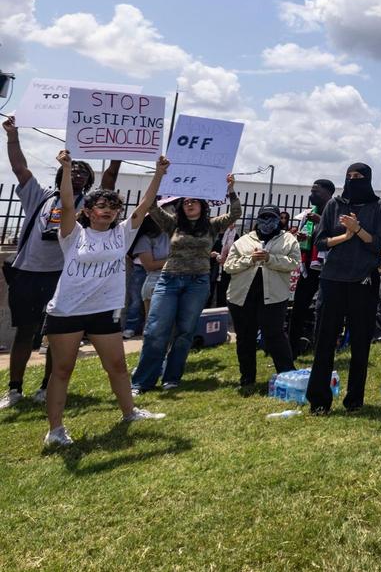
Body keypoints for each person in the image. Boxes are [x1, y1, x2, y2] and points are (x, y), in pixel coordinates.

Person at [41, 150, 167, 447]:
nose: (108, 211)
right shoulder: (73, 234)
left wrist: (159, 173)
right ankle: (55, 430)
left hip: (104, 311)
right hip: (67, 310)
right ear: (88, 211)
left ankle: (129, 412)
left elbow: (145, 205)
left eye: (113, 206)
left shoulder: (122, 234)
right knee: (62, 369)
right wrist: (68, 168)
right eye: (101, 205)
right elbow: (68, 203)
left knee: (118, 366)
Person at [1, 116, 120, 410]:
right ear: (61, 173)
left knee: (56, 336)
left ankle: (46, 386)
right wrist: (13, 136)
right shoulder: (39, 197)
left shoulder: (88, 207)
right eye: (73, 170)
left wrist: (120, 146)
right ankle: (14, 389)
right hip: (28, 273)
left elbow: (110, 180)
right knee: (25, 332)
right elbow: (19, 168)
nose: (77, 175)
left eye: (83, 173)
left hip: (62, 278)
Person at [131, 178, 242, 394]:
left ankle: (172, 378)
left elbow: (235, 213)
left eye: (194, 201)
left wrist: (230, 190)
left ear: (202, 204)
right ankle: (142, 381)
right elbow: (151, 205)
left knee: (185, 332)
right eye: (185, 202)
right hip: (169, 280)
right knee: (156, 329)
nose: (189, 204)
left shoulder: (212, 225)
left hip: (197, 283)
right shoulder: (173, 223)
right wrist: (159, 178)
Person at [304, 163, 381, 413]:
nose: (353, 180)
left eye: (358, 176)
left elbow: (378, 244)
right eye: (349, 176)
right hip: (333, 280)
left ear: (368, 179)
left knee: (360, 342)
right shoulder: (335, 204)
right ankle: (319, 400)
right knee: (325, 339)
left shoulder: (378, 207)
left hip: (363, 281)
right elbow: (320, 241)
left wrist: (358, 230)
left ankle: (354, 399)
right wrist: (345, 237)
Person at [224, 205, 300, 390]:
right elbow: (228, 266)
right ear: (257, 219)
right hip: (242, 296)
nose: (267, 222)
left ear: (279, 220)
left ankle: (287, 374)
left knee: (275, 335)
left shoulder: (288, 240)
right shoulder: (243, 241)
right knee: (245, 337)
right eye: (263, 217)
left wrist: (270, 258)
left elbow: (294, 263)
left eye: (272, 218)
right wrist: (250, 259)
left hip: (273, 297)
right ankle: (247, 378)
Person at [289, 178, 335, 355]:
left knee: (325, 310)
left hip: (328, 268)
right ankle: (292, 347)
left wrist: (321, 220)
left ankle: (322, 347)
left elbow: (340, 232)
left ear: (328, 193)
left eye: (316, 192)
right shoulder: (309, 214)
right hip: (309, 268)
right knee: (299, 308)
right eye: (311, 191)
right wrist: (301, 237)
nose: (312, 195)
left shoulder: (335, 210)